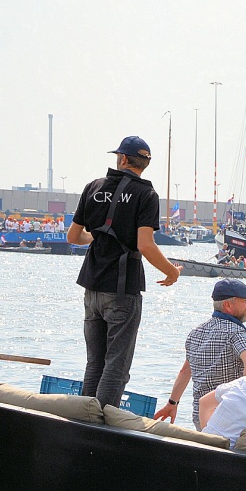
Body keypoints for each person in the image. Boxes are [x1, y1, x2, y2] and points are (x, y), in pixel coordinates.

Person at [67, 134, 180, 407]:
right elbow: (145, 244)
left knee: (95, 362)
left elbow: (73, 237)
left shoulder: (93, 186)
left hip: (92, 285)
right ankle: (101, 425)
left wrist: (96, 237)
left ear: (123, 158)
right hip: (121, 288)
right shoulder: (146, 195)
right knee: (116, 366)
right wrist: (172, 272)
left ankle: (85, 418)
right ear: (144, 163)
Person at [155, 279, 246, 427]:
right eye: (245, 300)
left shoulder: (196, 332)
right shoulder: (235, 331)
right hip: (230, 416)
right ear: (228, 305)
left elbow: (185, 371)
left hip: (201, 417)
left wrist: (172, 403)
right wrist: (239, 399)